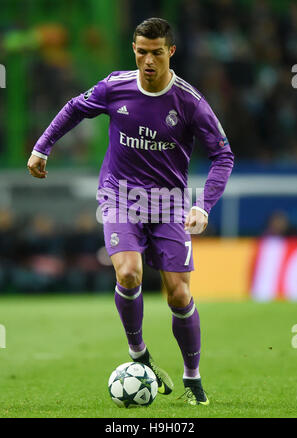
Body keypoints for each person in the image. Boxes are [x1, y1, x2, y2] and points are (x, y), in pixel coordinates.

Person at [27, 17, 234, 406]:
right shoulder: (115, 86)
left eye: (157, 53)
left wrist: (203, 205)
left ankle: (193, 379)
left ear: (170, 52)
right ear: (134, 51)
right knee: (128, 271)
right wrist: (43, 146)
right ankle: (139, 351)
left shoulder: (190, 102)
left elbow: (223, 155)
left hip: (170, 203)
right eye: (142, 52)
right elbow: (74, 108)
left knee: (177, 295)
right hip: (120, 196)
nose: (148, 60)